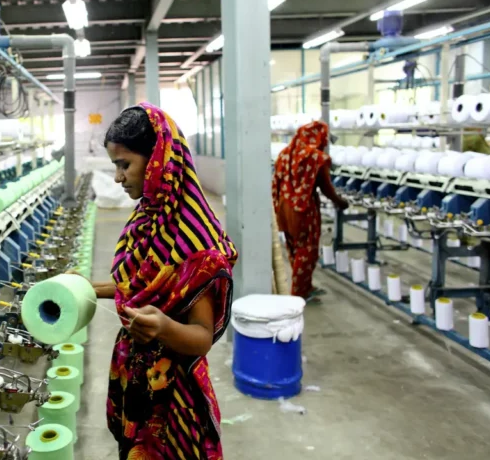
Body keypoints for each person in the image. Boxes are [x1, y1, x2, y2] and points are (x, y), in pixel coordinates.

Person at [75, 103, 238, 459]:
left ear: (158, 160)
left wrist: (163, 328)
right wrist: (89, 287)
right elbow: (139, 287)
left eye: (124, 165)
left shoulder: (196, 242)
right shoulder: (149, 218)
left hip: (174, 392)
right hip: (137, 373)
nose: (118, 178)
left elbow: (201, 337)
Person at [271, 121, 348, 301]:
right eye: (325, 138)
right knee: (307, 251)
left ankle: (305, 286)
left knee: (294, 248)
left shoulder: (285, 154)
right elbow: (326, 187)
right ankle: (298, 294)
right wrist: (340, 202)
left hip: (284, 208)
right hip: (303, 210)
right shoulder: (315, 157)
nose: (326, 142)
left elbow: (276, 183)